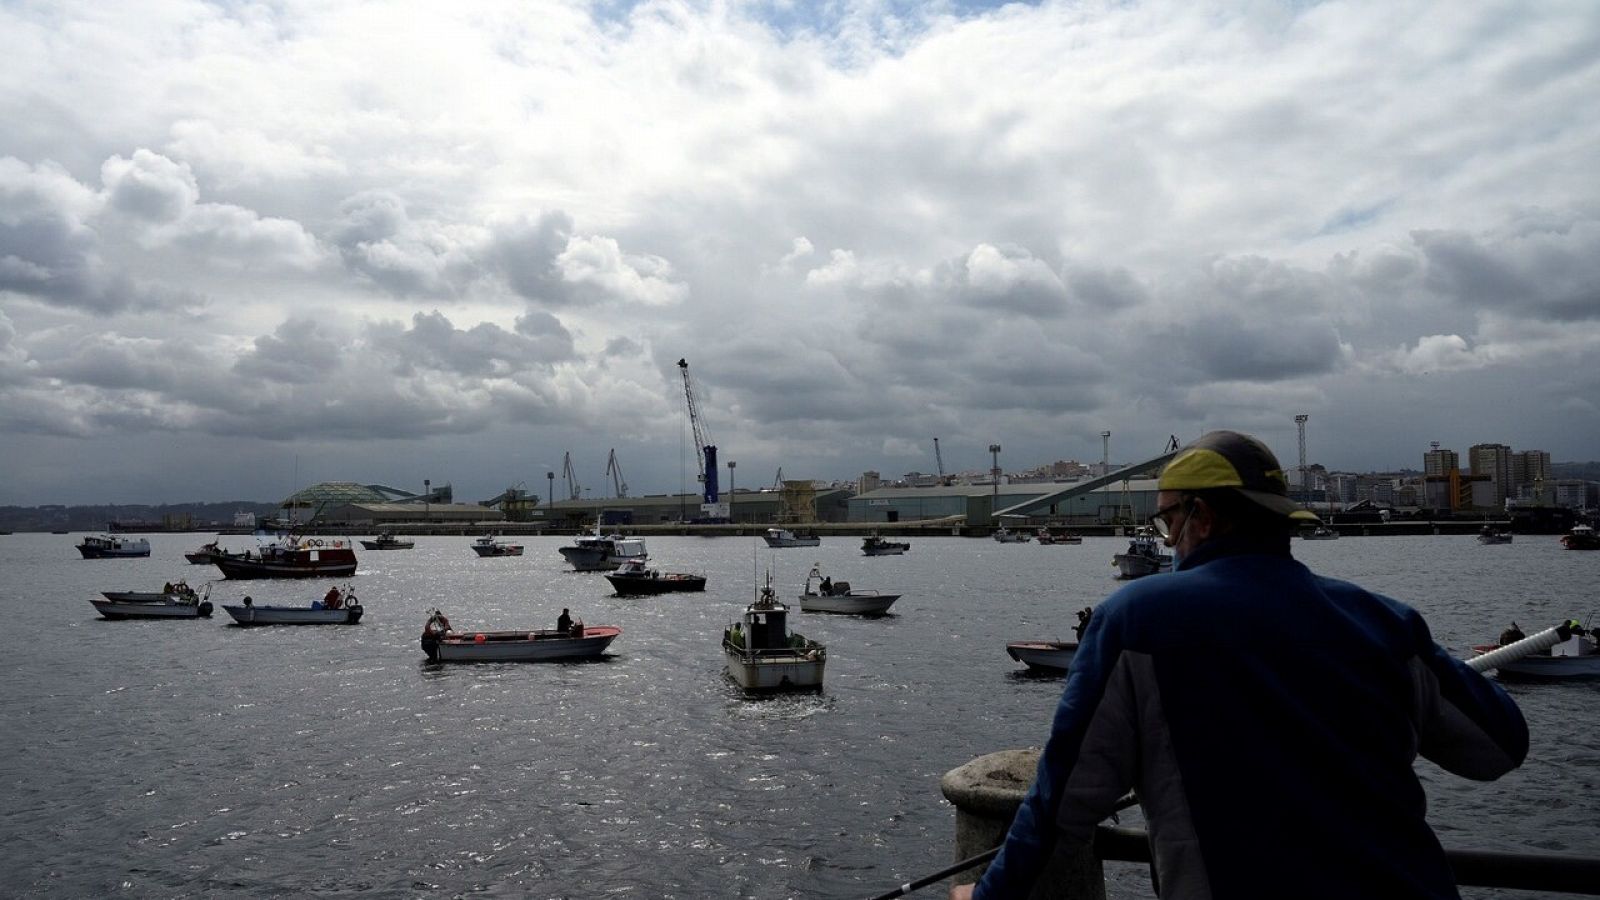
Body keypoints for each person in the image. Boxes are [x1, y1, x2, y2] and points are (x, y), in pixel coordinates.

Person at [953, 430, 1527, 900]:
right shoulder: (1383, 621)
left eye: (1167, 522)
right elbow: (1500, 747)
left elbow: (1061, 806)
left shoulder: (1138, 619)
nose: (1168, 539)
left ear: (1199, 516)